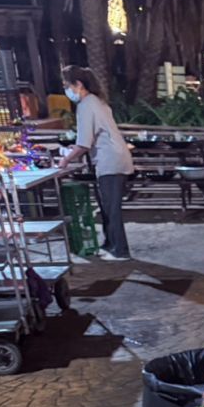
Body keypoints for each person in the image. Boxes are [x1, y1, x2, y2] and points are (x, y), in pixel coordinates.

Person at [58, 66, 134, 261]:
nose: (66, 90)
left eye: (67, 86)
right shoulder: (97, 101)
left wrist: (66, 159)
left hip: (111, 160)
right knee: (107, 206)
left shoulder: (86, 105)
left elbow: (84, 143)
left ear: (78, 84)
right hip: (114, 157)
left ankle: (120, 250)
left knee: (111, 208)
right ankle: (110, 244)